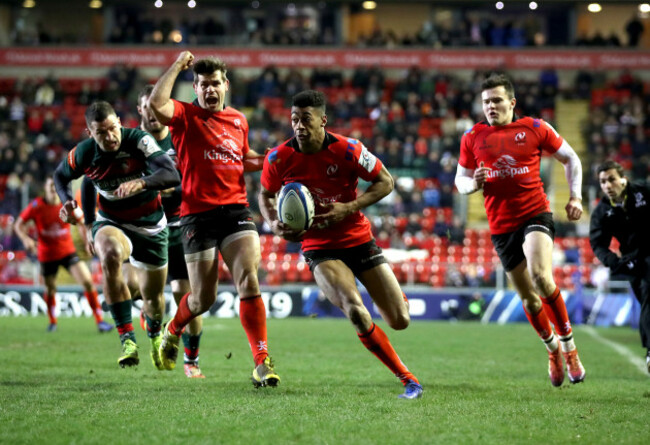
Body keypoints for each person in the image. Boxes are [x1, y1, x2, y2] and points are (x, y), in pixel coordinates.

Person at [258, 90, 423, 399]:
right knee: (356, 311)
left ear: (323, 120)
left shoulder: (349, 150)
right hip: (319, 247)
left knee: (399, 320)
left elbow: (386, 181)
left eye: (306, 119)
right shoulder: (278, 158)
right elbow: (265, 194)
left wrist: (350, 206)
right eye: (294, 119)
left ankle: (395, 297)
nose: (299, 126)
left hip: (358, 239)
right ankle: (408, 379)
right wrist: (273, 224)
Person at [149, 51, 280, 387]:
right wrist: (178, 66)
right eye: (203, 84)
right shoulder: (184, 115)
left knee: (249, 279)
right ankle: (174, 327)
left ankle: (262, 362)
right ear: (195, 87)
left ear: (226, 85)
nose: (210, 89)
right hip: (196, 216)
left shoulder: (238, 120)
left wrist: (272, 161)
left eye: (215, 83)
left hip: (235, 211)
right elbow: (155, 104)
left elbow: (244, 157)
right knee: (202, 299)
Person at [454, 73, 586, 387]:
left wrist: (576, 196)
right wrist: (473, 184)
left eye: (497, 100)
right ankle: (552, 349)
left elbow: (571, 159)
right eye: (486, 101)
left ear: (512, 102)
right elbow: (459, 181)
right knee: (529, 299)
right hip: (501, 226)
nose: (490, 106)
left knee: (541, 277)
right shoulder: (472, 137)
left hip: (535, 212)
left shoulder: (536, 128)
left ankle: (569, 347)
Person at [53, 101, 180, 369]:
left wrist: (142, 182)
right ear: (90, 133)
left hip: (151, 226)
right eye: (101, 133)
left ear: (120, 122)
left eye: (113, 129)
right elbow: (62, 177)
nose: (109, 137)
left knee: (153, 298)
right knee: (109, 254)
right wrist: (70, 205)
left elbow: (171, 174)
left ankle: (155, 333)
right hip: (112, 221)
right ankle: (127, 340)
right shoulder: (84, 153)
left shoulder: (139, 140)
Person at [136, 84, 205, 379]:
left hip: (181, 228)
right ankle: (148, 322)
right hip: (145, 229)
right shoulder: (131, 145)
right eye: (146, 108)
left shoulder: (181, 141)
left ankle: (191, 361)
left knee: (186, 296)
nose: (152, 114)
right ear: (140, 110)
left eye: (156, 107)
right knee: (143, 294)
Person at [14, 177, 113, 333]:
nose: (53, 189)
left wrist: (87, 240)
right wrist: (26, 239)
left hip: (67, 251)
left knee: (87, 281)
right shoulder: (36, 206)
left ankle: (100, 321)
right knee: (50, 288)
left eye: (55, 186)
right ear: (45, 189)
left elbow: (82, 222)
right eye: (50, 186)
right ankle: (52, 322)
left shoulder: (67, 205)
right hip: (47, 254)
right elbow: (18, 224)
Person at [589, 160, 650, 373]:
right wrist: (615, 262)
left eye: (612, 179)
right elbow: (598, 244)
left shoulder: (643, 190)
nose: (607, 185)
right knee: (645, 297)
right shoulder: (602, 212)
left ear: (623, 179)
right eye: (603, 182)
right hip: (632, 261)